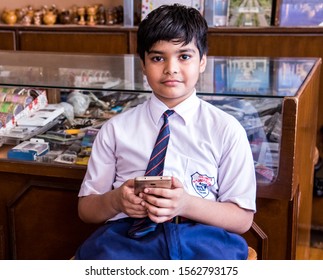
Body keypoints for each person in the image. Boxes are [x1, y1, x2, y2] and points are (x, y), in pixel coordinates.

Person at [74, 4, 256, 260]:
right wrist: (116, 201)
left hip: (203, 240)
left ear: (202, 61)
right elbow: (86, 209)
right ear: (143, 64)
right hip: (127, 241)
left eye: (184, 56)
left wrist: (185, 204)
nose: (171, 68)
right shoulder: (115, 130)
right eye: (158, 58)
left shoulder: (226, 130)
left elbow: (242, 219)